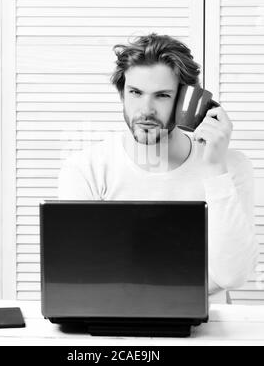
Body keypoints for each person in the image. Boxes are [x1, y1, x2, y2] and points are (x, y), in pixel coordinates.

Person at [58, 33, 259, 295]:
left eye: (162, 95)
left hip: (206, 330)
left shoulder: (230, 166)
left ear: (188, 101)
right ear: (123, 94)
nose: (146, 109)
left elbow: (232, 276)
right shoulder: (86, 168)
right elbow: (81, 273)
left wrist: (213, 169)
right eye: (136, 93)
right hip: (115, 321)